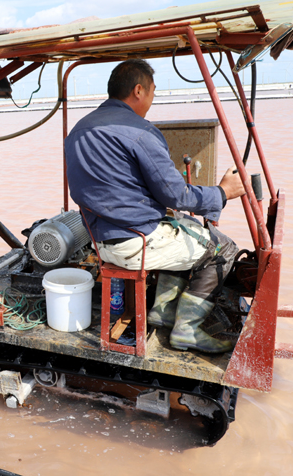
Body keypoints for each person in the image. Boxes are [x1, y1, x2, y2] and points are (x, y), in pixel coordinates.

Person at [64, 59, 246, 354]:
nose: (152, 100)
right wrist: (223, 193)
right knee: (222, 248)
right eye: (152, 92)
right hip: (135, 243)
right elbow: (176, 195)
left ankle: (162, 313)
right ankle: (187, 331)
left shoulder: (78, 130)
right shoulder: (139, 131)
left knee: (183, 225)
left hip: (100, 242)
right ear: (138, 90)